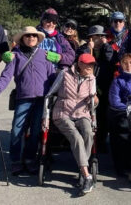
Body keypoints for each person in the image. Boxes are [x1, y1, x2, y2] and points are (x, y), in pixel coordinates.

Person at [0, 26, 56, 175]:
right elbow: (6, 76)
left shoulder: (45, 55)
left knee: (36, 131)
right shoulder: (14, 56)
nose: (31, 38)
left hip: (41, 100)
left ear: (38, 39)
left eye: (34, 36)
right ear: (22, 38)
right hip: (23, 98)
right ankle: (16, 161)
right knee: (17, 130)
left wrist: (55, 94)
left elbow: (52, 77)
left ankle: (30, 160)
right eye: (28, 36)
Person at [45, 53, 97, 194]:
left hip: (82, 113)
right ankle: (86, 175)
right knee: (76, 137)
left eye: (92, 64)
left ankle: (82, 170)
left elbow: (93, 100)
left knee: (88, 133)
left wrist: (94, 99)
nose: (90, 67)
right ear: (79, 64)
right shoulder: (64, 73)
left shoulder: (92, 78)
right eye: (87, 64)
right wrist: (46, 115)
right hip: (63, 113)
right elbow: (51, 92)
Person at [77, 25, 115, 152]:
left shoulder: (107, 49)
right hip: (87, 87)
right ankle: (88, 141)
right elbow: (82, 61)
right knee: (87, 115)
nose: (100, 38)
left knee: (103, 116)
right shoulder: (84, 48)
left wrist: (106, 46)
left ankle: (101, 141)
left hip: (103, 87)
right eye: (97, 36)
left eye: (102, 36)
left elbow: (110, 60)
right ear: (91, 38)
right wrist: (89, 49)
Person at [106, 11, 129, 77]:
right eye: (115, 21)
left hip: (125, 68)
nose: (118, 23)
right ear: (111, 23)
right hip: (110, 69)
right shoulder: (105, 35)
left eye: (120, 21)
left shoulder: (129, 35)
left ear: (124, 23)